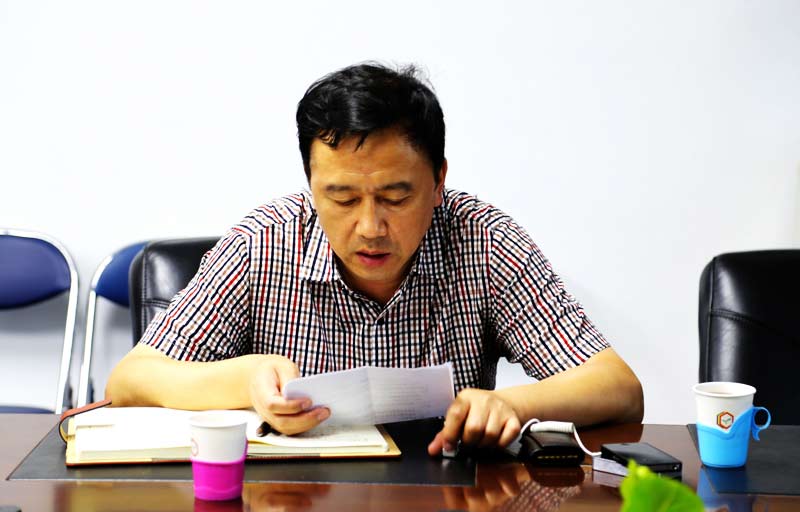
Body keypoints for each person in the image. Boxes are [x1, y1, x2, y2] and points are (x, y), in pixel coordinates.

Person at [106, 62, 643, 456]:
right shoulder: (262, 243)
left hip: (445, 505)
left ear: (439, 181)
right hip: (289, 504)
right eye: (341, 198)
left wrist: (515, 405)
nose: (369, 227)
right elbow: (129, 382)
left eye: (395, 197)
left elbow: (618, 388)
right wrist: (245, 379)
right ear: (311, 186)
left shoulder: (483, 241)